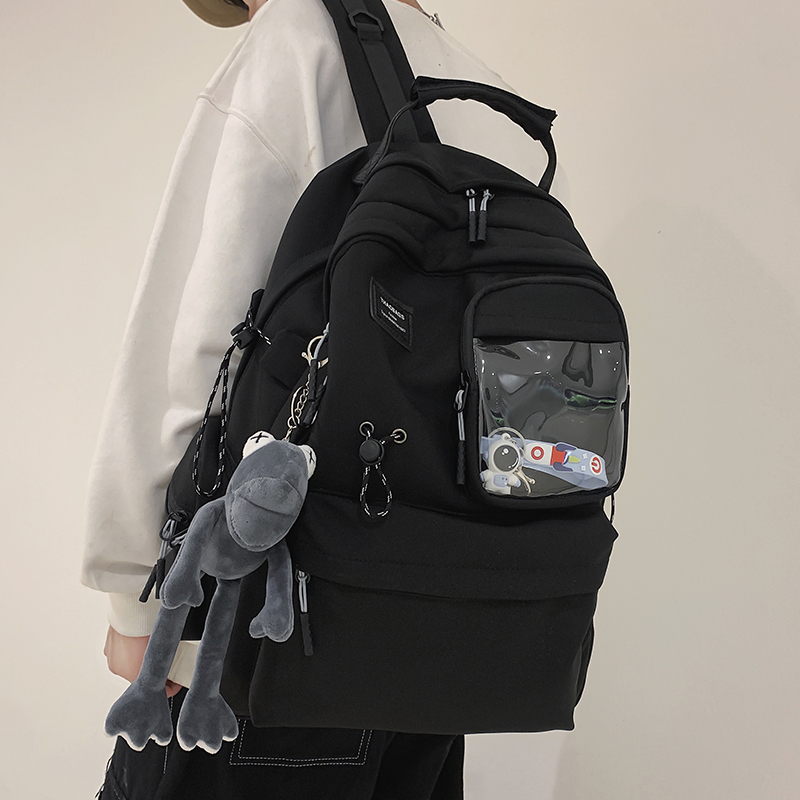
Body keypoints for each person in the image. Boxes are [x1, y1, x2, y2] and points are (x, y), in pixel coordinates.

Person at [84, 0, 562, 796]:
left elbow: (202, 349)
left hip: (272, 631)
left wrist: (142, 598)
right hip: (452, 639)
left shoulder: (298, 39)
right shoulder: (500, 102)